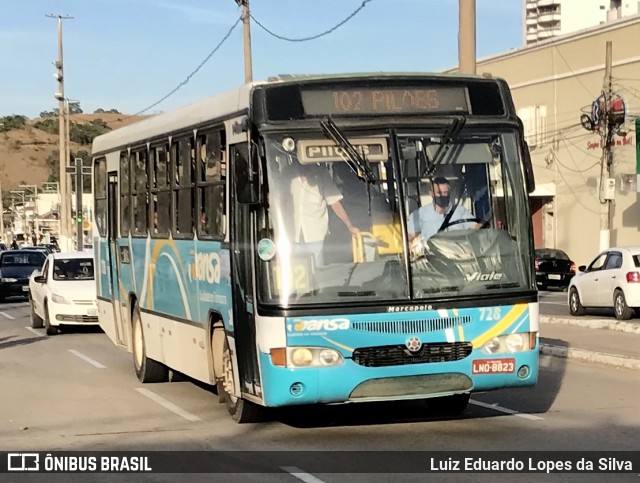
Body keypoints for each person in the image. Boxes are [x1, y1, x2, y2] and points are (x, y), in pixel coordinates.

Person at [289, 163, 359, 267]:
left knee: (316, 270)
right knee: (294, 272)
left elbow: (334, 202)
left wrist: (349, 226)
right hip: (293, 237)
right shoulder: (288, 174)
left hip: (315, 236)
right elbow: (278, 198)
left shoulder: (321, 174)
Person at [407, 176, 481, 242]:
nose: (442, 196)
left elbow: (477, 227)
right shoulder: (419, 214)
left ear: (449, 193)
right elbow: (410, 237)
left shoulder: (460, 211)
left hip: (457, 252)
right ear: (431, 193)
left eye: (445, 193)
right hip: (432, 254)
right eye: (439, 193)